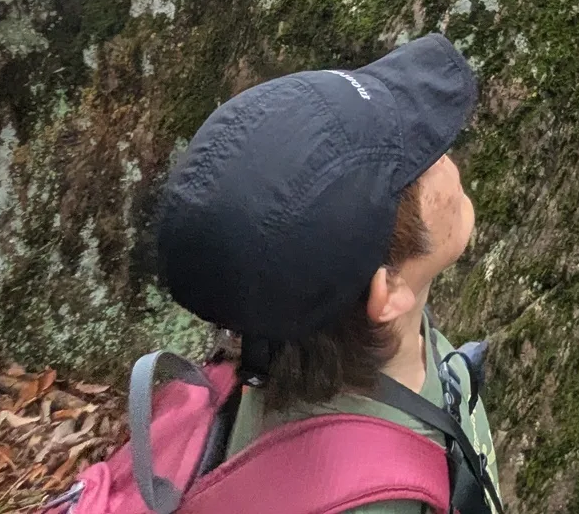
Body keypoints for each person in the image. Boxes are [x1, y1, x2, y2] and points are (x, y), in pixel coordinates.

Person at [153, 33, 501, 514]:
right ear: (389, 287)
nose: (443, 154)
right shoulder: (378, 503)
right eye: (418, 164)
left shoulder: (302, 336)